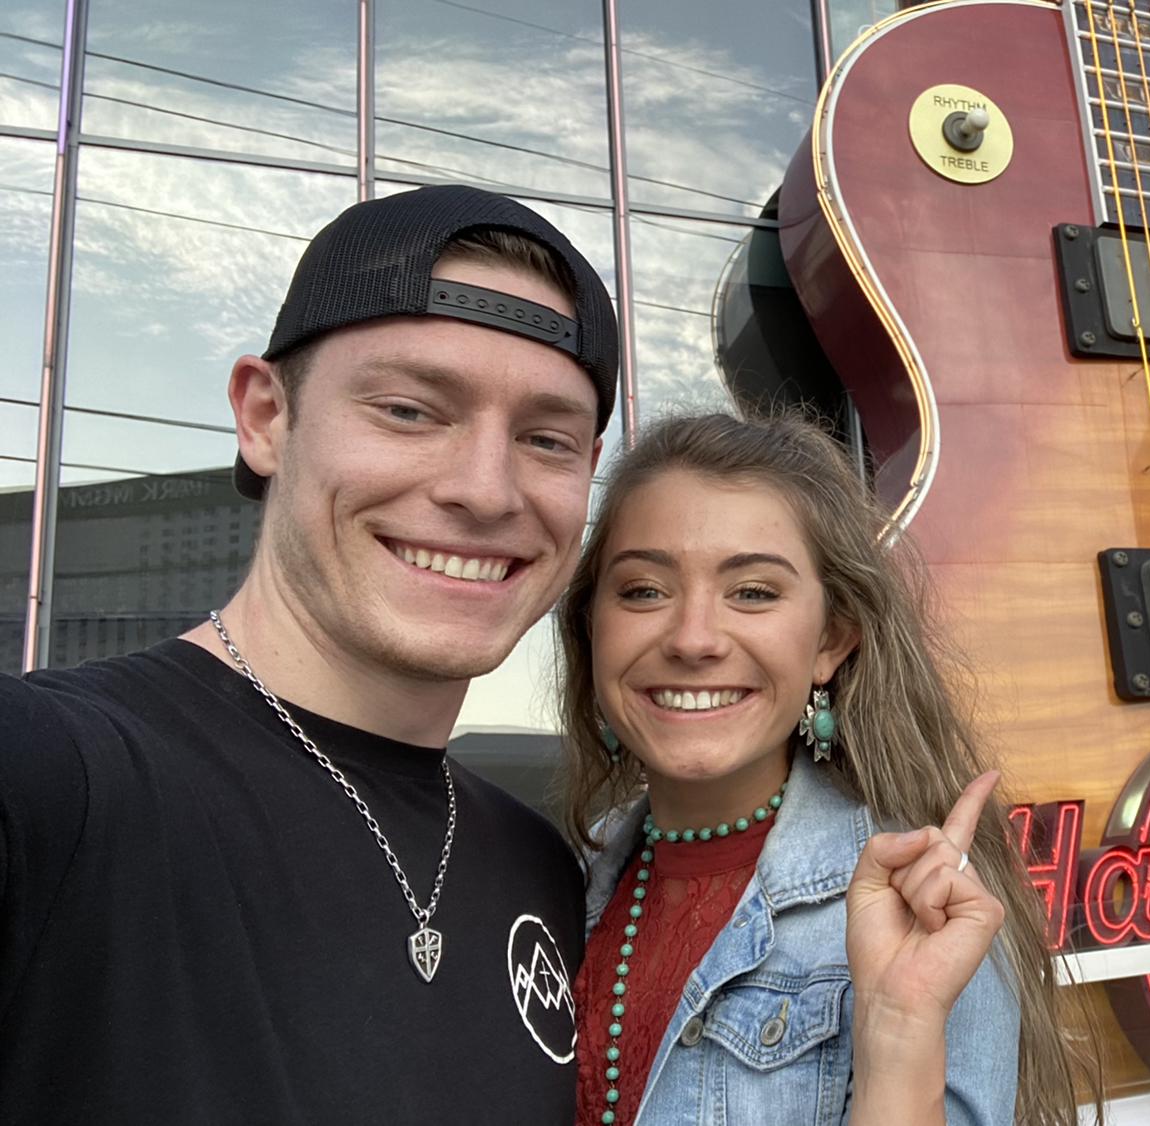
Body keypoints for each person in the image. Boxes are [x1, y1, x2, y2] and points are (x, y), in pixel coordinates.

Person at [0, 186, 1000, 1125]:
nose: (484, 489)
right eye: (409, 409)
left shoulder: (540, 868)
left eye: (546, 439)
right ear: (266, 416)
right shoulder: (55, 774)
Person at [552, 412, 1091, 1126]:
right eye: (644, 590)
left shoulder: (916, 909)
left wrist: (898, 1033)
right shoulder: (560, 879)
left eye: (753, 592)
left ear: (830, 642)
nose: (692, 638)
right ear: (592, 626)